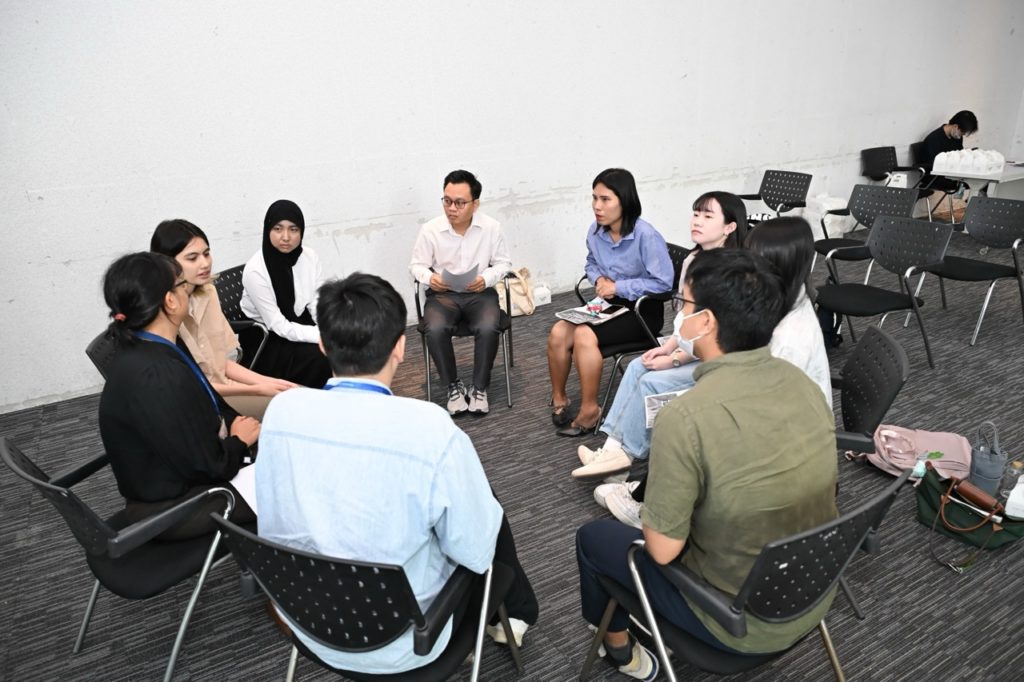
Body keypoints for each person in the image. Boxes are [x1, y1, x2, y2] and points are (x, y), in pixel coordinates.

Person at [255, 272, 538, 675]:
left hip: (308, 622)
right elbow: (476, 553)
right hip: (408, 641)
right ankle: (517, 612)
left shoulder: (282, 411)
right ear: (401, 347)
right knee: (482, 509)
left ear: (322, 344)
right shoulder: (429, 428)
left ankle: (517, 609)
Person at [575, 249, 838, 679]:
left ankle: (619, 649)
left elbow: (662, 550)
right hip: (813, 591)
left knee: (594, 538)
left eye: (685, 305)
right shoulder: (802, 384)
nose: (680, 315)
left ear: (707, 322)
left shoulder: (686, 417)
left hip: (734, 623)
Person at [595, 216, 834, 528]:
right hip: (766, 414)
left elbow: (757, 405)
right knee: (677, 409)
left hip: (782, 440)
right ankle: (645, 488)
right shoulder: (785, 301)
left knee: (683, 423)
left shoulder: (789, 338)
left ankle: (649, 511)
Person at [571, 191, 748, 479]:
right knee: (637, 366)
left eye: (707, 216)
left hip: (719, 358)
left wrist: (675, 358)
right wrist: (668, 347)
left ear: (730, 227)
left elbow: (717, 335)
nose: (697, 221)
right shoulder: (694, 259)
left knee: (651, 382)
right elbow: (685, 319)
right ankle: (611, 451)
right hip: (692, 345)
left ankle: (621, 462)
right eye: (696, 214)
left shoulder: (735, 270)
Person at [98, 252, 260, 539]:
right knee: (294, 484)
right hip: (175, 508)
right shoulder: (158, 375)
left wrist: (236, 428)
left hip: (178, 482)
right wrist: (239, 442)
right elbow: (211, 466)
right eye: (183, 284)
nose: (189, 290)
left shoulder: (147, 347)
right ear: (170, 301)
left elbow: (204, 412)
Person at [548, 168, 673, 436]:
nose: (597, 206)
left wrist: (618, 286)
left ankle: (590, 411)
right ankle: (559, 399)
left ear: (624, 201)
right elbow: (591, 263)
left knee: (583, 334)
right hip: (608, 304)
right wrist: (598, 279)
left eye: (605, 199)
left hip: (641, 311)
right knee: (558, 331)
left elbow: (664, 284)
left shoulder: (646, 236)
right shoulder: (595, 232)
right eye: (594, 198)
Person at [151, 219, 296, 420]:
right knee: (291, 408)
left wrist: (269, 382)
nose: (205, 263)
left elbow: (222, 364)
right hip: (203, 400)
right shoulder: (165, 313)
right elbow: (196, 386)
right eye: (192, 258)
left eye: (206, 254)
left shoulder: (207, 292)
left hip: (225, 387)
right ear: (166, 264)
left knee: (296, 393)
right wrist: (258, 389)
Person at [409, 169, 512, 416]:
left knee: (488, 326)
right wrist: (430, 278)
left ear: (475, 204)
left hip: (480, 294)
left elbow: (504, 264)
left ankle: (479, 387)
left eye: (459, 203)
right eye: (447, 201)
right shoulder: (430, 229)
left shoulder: (491, 228)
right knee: (434, 328)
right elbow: (416, 265)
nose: (451, 208)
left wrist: (485, 279)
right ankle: (453, 385)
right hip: (443, 296)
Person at [240, 199, 331, 388]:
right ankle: (307, 401)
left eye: (293, 229)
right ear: (268, 230)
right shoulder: (256, 271)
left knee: (342, 345)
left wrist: (327, 330)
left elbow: (317, 301)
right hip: (267, 337)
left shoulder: (309, 257)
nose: (286, 237)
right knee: (320, 357)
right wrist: (320, 336)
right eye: (278, 229)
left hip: (299, 321)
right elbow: (277, 325)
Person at [919, 110, 979, 192]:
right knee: (974, 182)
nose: (961, 136)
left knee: (978, 179)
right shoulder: (933, 139)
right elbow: (933, 165)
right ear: (955, 126)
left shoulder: (956, 137)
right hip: (934, 177)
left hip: (950, 173)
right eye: (962, 133)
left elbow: (959, 155)